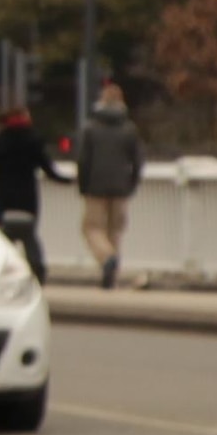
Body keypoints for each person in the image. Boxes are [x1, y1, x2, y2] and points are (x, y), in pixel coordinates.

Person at [0, 104, 59, 284]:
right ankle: (38, 271)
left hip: (5, 195)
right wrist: (66, 180)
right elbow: (48, 169)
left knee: (5, 236)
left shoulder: (1, 140)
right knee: (29, 234)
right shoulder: (34, 138)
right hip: (27, 196)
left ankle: (2, 271)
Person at [77, 83, 146, 287]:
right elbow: (137, 160)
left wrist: (83, 184)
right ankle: (110, 275)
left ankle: (107, 259)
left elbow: (83, 160)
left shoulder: (91, 128)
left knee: (92, 228)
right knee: (114, 231)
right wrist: (131, 183)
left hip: (95, 186)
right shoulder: (129, 129)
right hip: (121, 186)